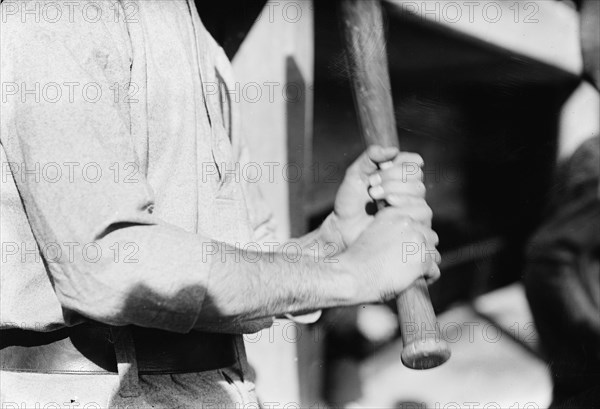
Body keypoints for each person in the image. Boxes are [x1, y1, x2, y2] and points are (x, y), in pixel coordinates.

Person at [0, 1, 440, 407]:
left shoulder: (197, 37)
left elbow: (244, 261)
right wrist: (351, 274)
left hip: (223, 386)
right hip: (89, 390)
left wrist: (337, 242)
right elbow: (110, 266)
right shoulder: (57, 15)